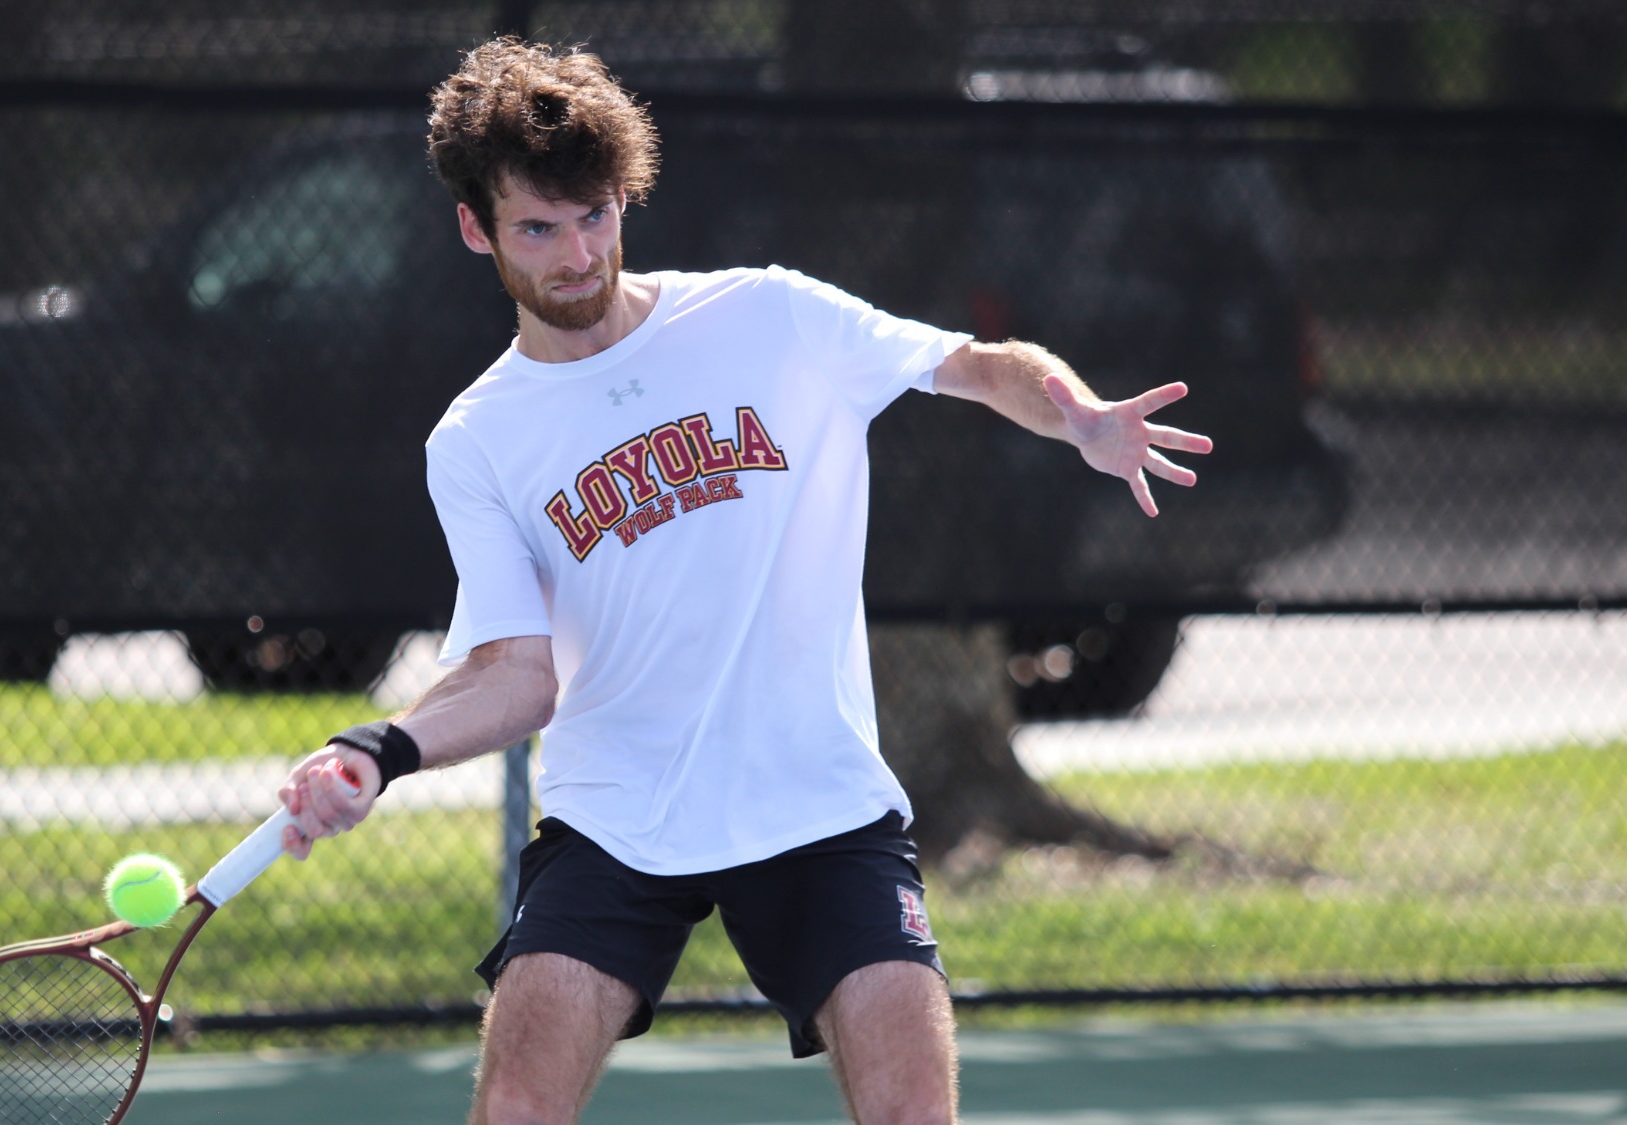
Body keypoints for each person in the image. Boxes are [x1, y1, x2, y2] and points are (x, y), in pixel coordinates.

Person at [275, 36, 1212, 1125]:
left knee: (914, 1114)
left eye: (595, 216)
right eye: (537, 228)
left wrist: (1081, 417)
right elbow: (517, 677)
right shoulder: (477, 442)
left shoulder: (768, 318)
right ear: (474, 227)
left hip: (814, 801)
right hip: (619, 819)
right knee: (516, 1113)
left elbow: (974, 365)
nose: (576, 254)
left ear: (624, 198)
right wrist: (375, 749)